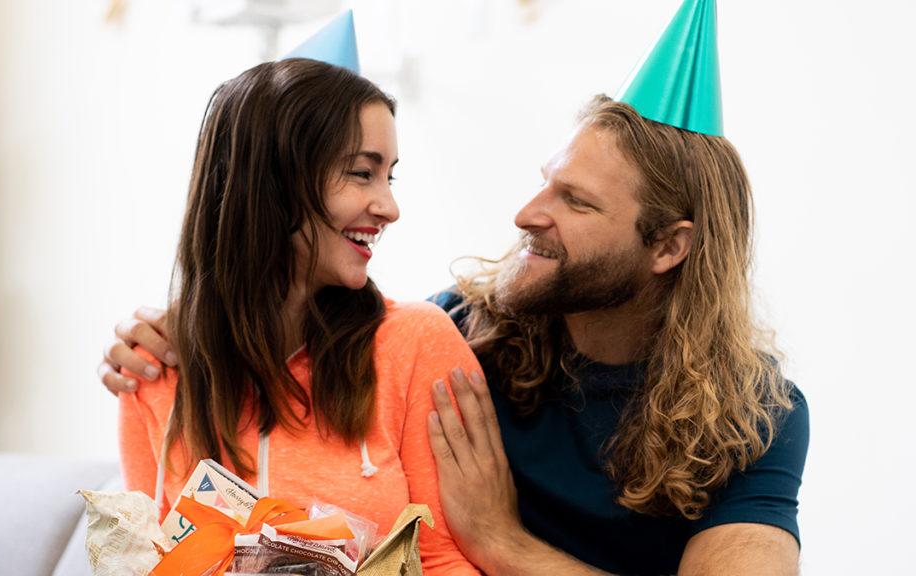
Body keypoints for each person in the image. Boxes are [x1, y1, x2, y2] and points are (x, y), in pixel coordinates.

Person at [102, 2, 809, 574]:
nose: (527, 214)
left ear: (668, 247)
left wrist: (503, 542)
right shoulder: (465, 331)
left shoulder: (755, 417)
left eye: (576, 201)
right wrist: (181, 328)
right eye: (545, 182)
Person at [117, 55, 480, 575]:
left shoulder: (416, 343)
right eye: (363, 173)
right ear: (274, 181)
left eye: (389, 177)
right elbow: (145, 561)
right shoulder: (152, 368)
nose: (389, 207)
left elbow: (444, 557)